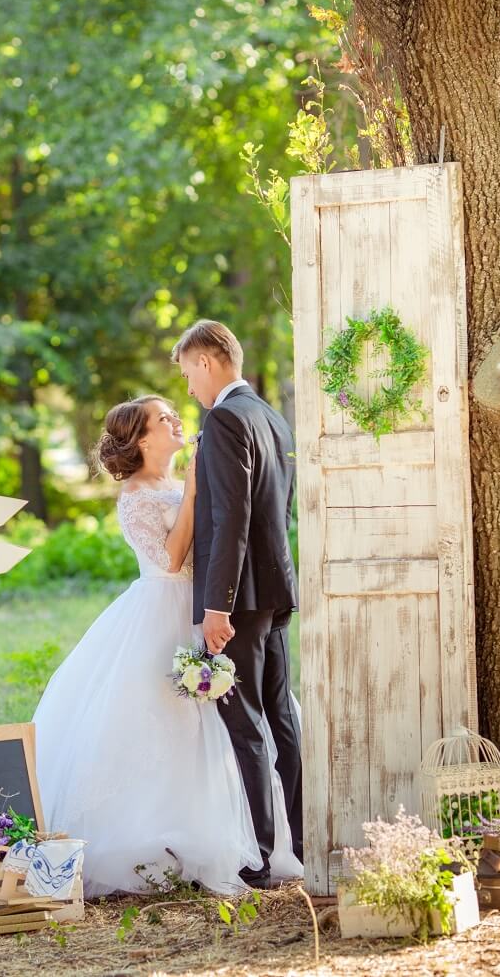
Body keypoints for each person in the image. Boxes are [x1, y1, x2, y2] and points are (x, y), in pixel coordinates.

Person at [32, 394, 265, 897]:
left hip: (201, 608)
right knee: (160, 719)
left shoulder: (177, 483)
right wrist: (196, 489)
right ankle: (147, 843)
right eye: (164, 418)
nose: (176, 420)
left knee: (207, 723)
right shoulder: (136, 496)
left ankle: (207, 834)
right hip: (160, 610)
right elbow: (170, 559)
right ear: (141, 439)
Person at [173, 320, 303, 885]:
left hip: (240, 601)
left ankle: (261, 855)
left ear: (206, 362)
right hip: (273, 593)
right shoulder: (271, 416)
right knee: (281, 719)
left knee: (246, 723)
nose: (188, 390)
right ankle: (300, 840)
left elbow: (230, 519)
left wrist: (217, 606)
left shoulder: (223, 419)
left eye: (186, 374)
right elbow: (281, 509)